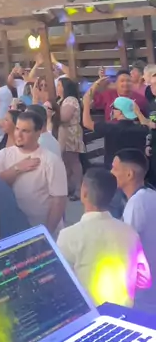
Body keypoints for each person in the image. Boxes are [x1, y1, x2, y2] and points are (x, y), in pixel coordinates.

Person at [57, 167, 150, 307]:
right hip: (124, 313)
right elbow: (144, 280)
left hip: (89, 314)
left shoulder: (68, 236)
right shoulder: (130, 233)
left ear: (84, 193)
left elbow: (62, 285)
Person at [0, 112, 68, 236]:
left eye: (25, 131)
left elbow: (59, 201)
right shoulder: (3, 155)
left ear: (38, 133)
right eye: (17, 129)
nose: (19, 135)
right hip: (14, 231)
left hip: (42, 230)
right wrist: (16, 169)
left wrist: (46, 233)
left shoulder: (51, 161)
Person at [112, 149, 156, 313]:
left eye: (115, 168)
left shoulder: (136, 204)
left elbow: (126, 247)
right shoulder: (150, 194)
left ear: (129, 174)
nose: (111, 173)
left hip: (144, 294)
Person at [82, 92, 150, 169]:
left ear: (120, 112)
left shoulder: (110, 128)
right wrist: (138, 112)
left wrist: (86, 104)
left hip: (113, 169)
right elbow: (147, 124)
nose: (112, 110)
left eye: (114, 108)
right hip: (135, 169)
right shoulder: (141, 129)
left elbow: (87, 123)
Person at [56, 77, 85, 199]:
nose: (57, 88)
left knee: (73, 161)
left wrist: (53, 113)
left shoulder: (70, 100)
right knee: (66, 161)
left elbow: (64, 117)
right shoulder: (62, 100)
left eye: (59, 85)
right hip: (65, 132)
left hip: (71, 132)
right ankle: (69, 186)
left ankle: (79, 188)